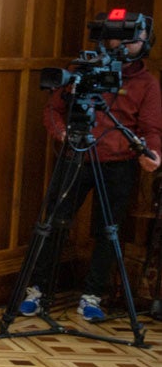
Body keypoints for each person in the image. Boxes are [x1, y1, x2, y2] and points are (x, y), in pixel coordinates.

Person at [22, 18, 162, 320]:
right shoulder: (82, 70)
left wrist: (154, 154)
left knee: (107, 230)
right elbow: (53, 109)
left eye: (134, 38)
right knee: (54, 222)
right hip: (76, 157)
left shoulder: (147, 83)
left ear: (145, 42)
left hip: (118, 164)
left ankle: (92, 296)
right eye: (119, 37)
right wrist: (62, 133)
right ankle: (37, 289)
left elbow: (152, 129)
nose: (126, 44)